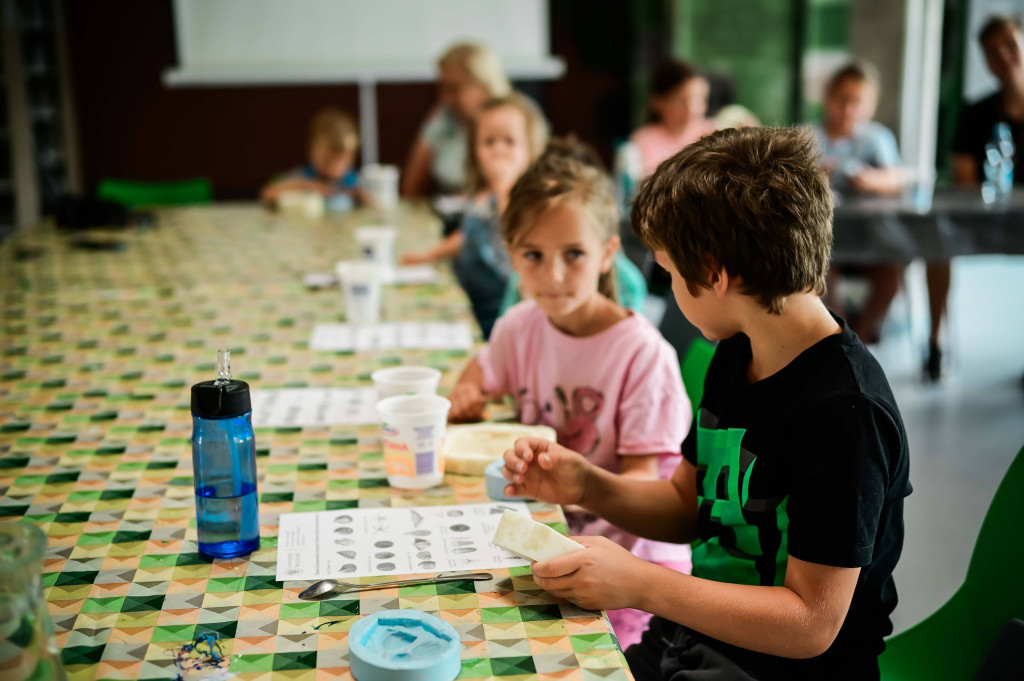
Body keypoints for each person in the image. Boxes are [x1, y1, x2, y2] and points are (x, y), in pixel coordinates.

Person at [502, 127, 912, 680]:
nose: (667, 287)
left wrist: (642, 583)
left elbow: (811, 623)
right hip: (693, 641)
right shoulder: (737, 353)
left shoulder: (845, 414)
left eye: (669, 273)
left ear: (714, 274)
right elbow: (686, 505)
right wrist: (586, 484)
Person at [449, 152, 692, 648]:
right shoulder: (521, 326)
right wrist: (467, 390)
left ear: (606, 254)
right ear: (511, 256)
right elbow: (483, 364)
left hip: (632, 565)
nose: (553, 276)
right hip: (547, 537)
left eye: (573, 254)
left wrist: (579, 490)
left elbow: (644, 484)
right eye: (533, 255)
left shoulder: (644, 356)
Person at [401, 94, 547, 338]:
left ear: (530, 150)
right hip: (471, 303)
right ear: (474, 150)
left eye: (509, 142)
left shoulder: (527, 200)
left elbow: (518, 239)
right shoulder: (481, 196)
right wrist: (431, 254)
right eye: (489, 142)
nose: (498, 149)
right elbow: (468, 235)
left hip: (503, 315)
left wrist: (503, 189)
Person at [946, 15, 1024, 381]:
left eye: (1011, 45)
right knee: (935, 242)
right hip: (987, 220)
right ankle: (935, 343)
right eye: (993, 51)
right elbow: (965, 180)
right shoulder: (976, 113)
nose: (1004, 56)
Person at [813, 62, 905, 345]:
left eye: (857, 102)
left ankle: (863, 334)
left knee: (895, 266)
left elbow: (895, 178)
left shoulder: (877, 138)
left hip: (870, 238)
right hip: (824, 238)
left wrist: (870, 180)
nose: (848, 110)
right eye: (842, 100)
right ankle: (839, 334)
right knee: (820, 266)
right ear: (828, 98)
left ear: (870, 106)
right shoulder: (809, 136)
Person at [401, 42, 512, 199]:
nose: (444, 98)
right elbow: (410, 187)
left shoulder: (517, 119)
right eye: (442, 87)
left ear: (483, 85)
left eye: (454, 88)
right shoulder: (444, 117)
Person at [259, 109, 366, 208]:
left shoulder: (353, 181)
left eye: (343, 160)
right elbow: (267, 194)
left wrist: (362, 196)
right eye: (327, 160)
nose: (334, 167)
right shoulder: (304, 176)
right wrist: (307, 186)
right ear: (311, 151)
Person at [629, 60, 715, 177]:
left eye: (699, 99)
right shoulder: (643, 142)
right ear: (658, 102)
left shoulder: (713, 134)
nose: (692, 109)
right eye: (681, 101)